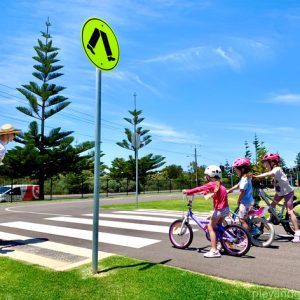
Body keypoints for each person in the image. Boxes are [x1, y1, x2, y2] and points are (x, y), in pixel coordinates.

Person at [183, 165, 229, 258]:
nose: (205, 177)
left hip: (219, 210)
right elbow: (214, 192)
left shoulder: (212, 183)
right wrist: (205, 193)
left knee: (210, 227)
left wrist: (187, 192)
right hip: (225, 209)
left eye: (206, 175)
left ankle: (214, 251)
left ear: (210, 175)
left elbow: (199, 188)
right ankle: (219, 244)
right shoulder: (219, 183)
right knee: (218, 227)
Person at [252, 153, 300, 243]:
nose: (264, 165)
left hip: (288, 192)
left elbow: (270, 174)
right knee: (271, 207)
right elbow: (274, 184)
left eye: (266, 163)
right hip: (280, 193)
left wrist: (256, 176)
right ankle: (268, 222)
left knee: (289, 211)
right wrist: (264, 185)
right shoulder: (275, 172)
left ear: (272, 162)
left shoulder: (277, 169)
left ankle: (298, 233)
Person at [227, 158, 253, 231]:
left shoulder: (244, 179)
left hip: (245, 202)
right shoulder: (246, 178)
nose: (235, 171)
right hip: (250, 201)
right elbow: (238, 186)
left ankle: (247, 237)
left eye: (236, 169)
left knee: (242, 220)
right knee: (245, 218)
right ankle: (248, 232)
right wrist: (229, 190)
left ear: (242, 169)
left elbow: (242, 192)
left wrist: (238, 201)